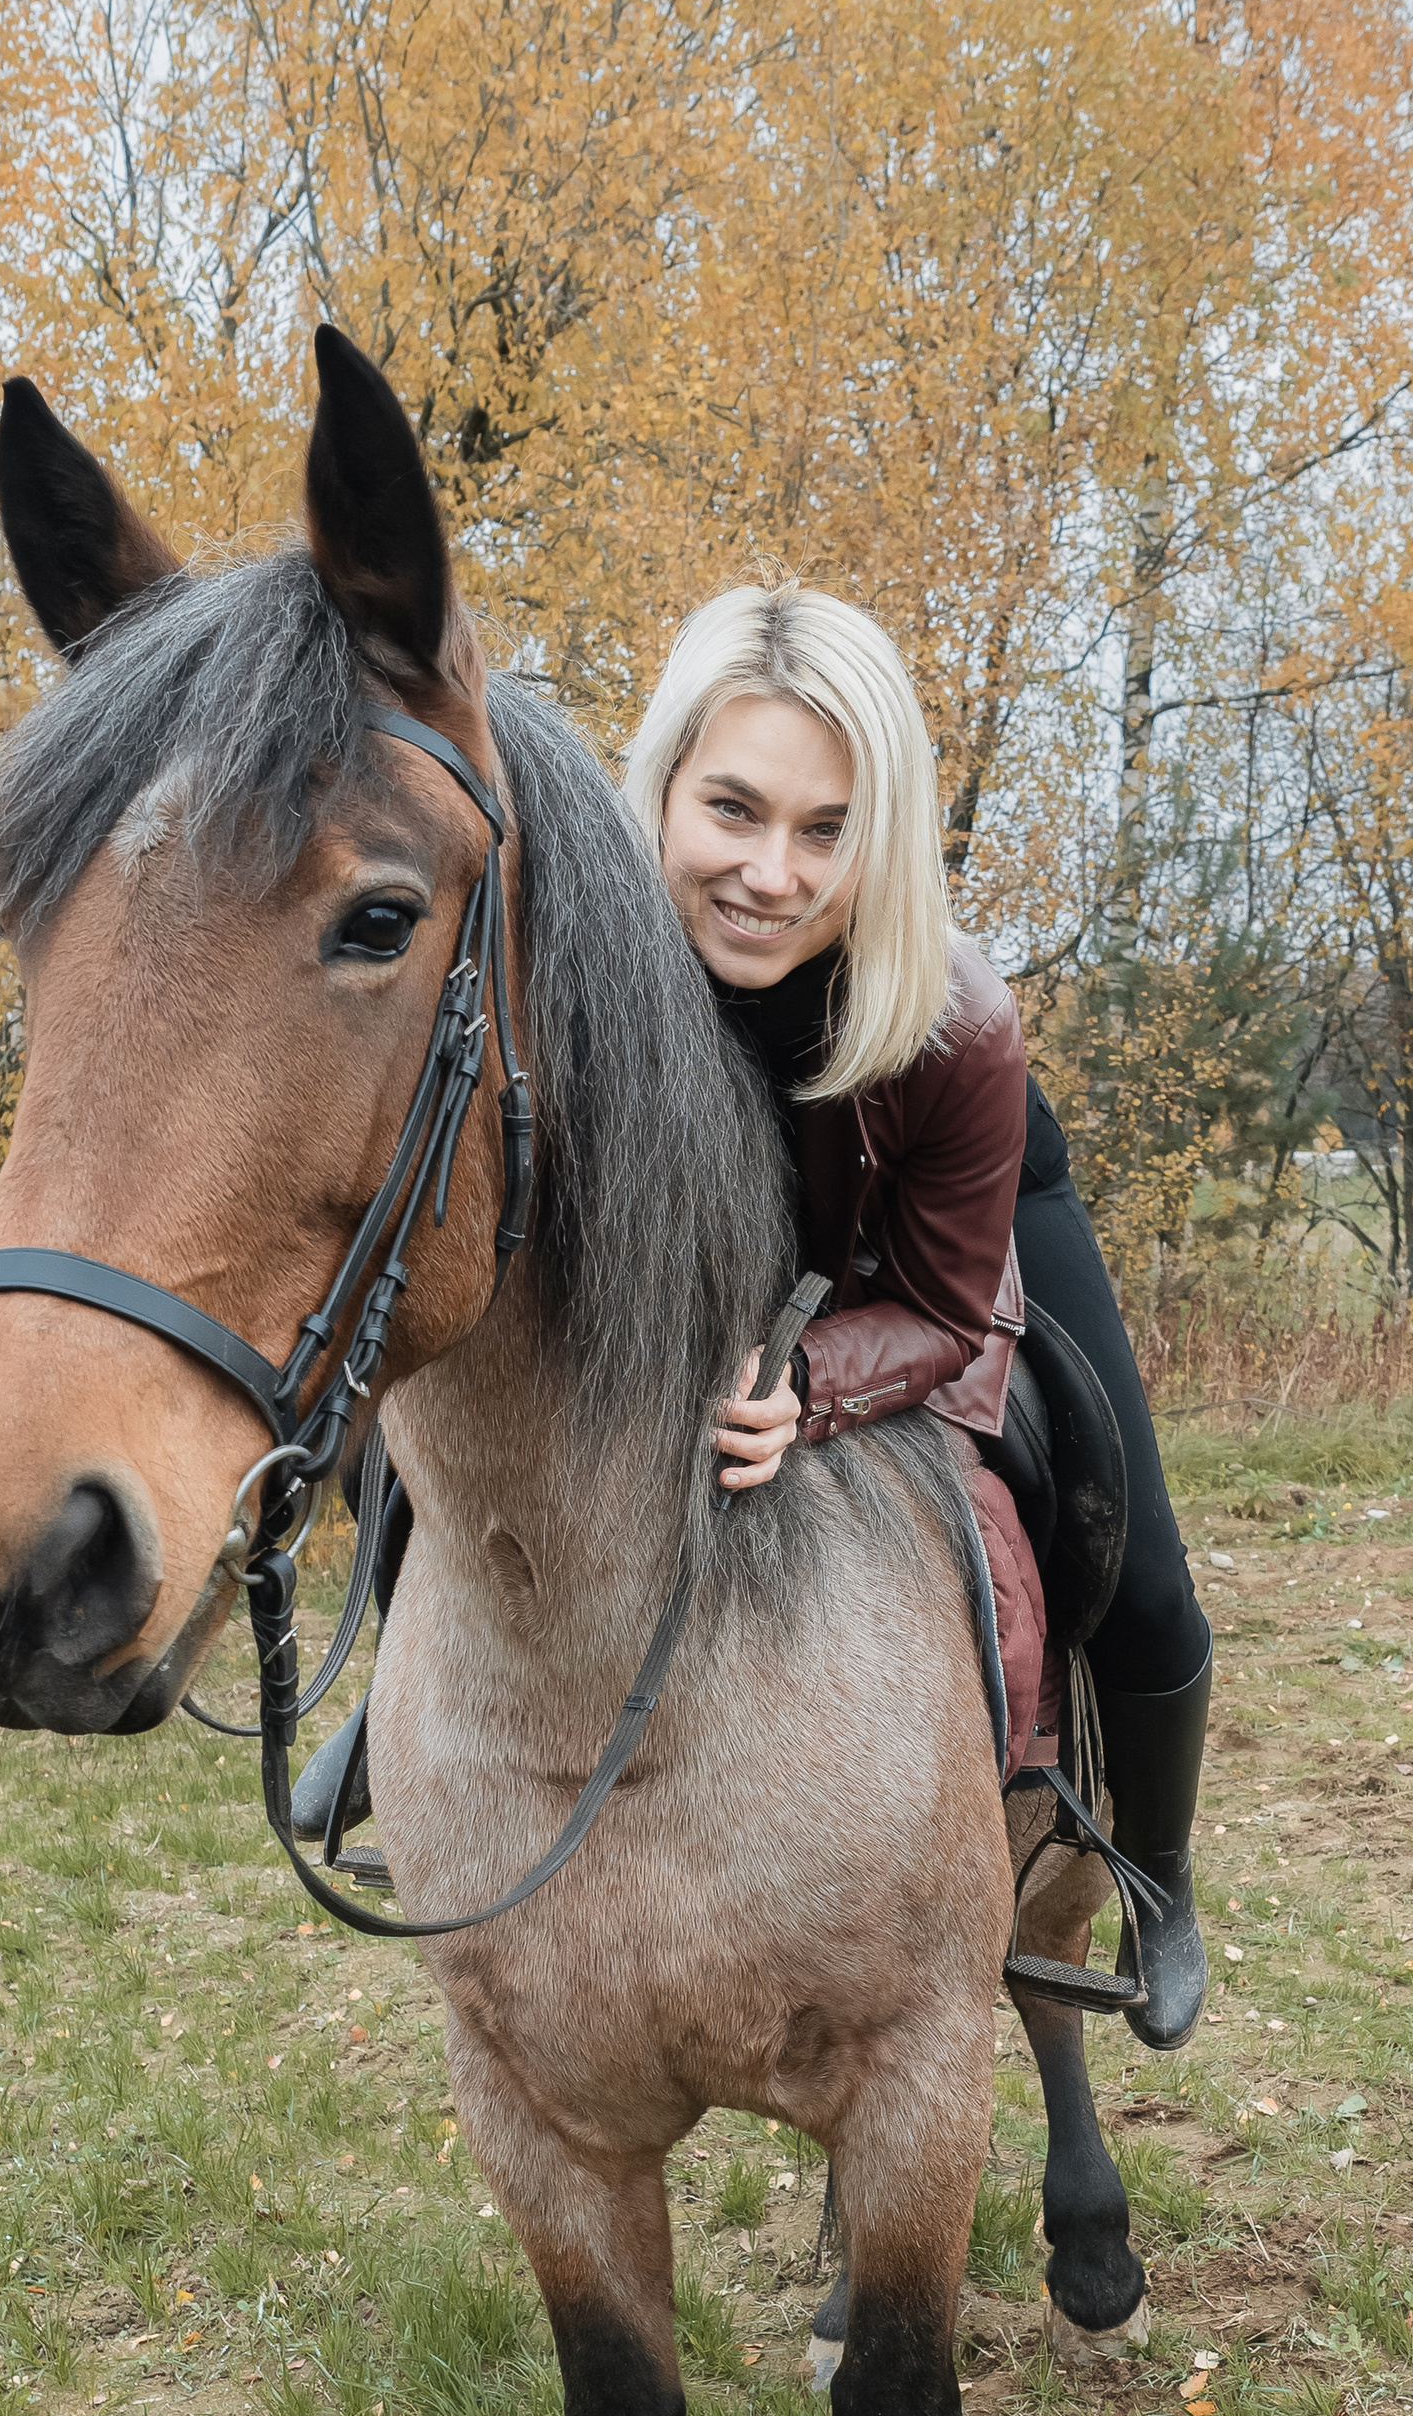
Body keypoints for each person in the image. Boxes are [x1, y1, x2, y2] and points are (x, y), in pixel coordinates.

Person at [294, 585, 1215, 2046]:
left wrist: (817, 1385)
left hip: (922, 1238)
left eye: (825, 829)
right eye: (732, 808)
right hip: (692, 1270)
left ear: (879, 838)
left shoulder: (956, 1023)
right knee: (424, 1402)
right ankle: (395, 1699)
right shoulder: (573, 962)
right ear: (662, 788)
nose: (770, 873)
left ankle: (1155, 1871)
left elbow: (943, 1302)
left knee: (1138, 1544)